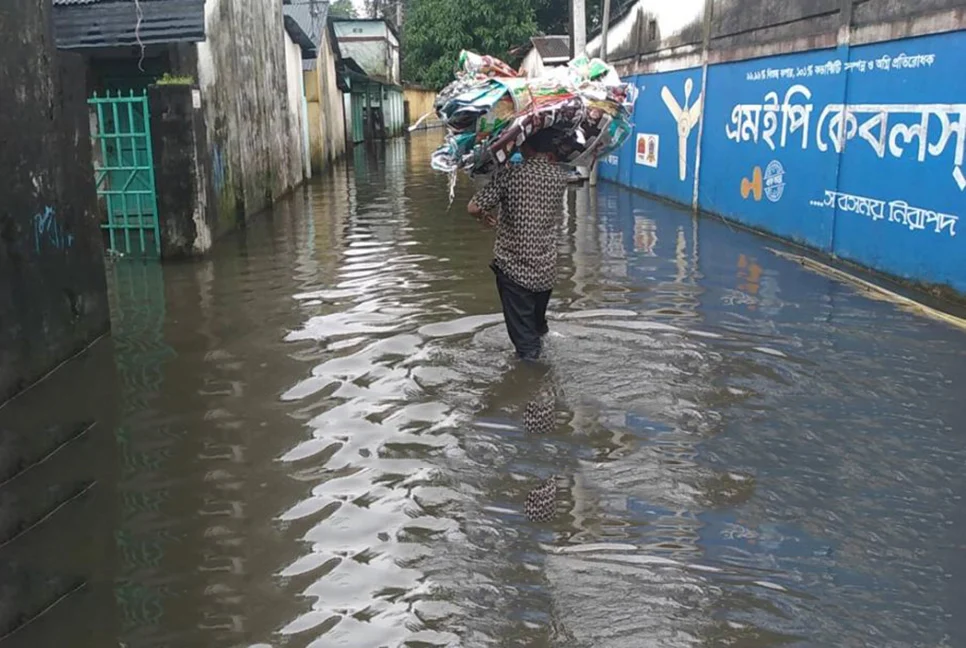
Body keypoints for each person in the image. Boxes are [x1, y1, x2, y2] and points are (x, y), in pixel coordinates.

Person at [467, 129, 568, 361]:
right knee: (538, 328)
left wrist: (484, 217)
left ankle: (532, 385)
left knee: (526, 346)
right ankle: (539, 368)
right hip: (546, 269)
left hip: (515, 269)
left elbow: (473, 207)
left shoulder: (511, 174)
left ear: (527, 147)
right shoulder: (559, 177)